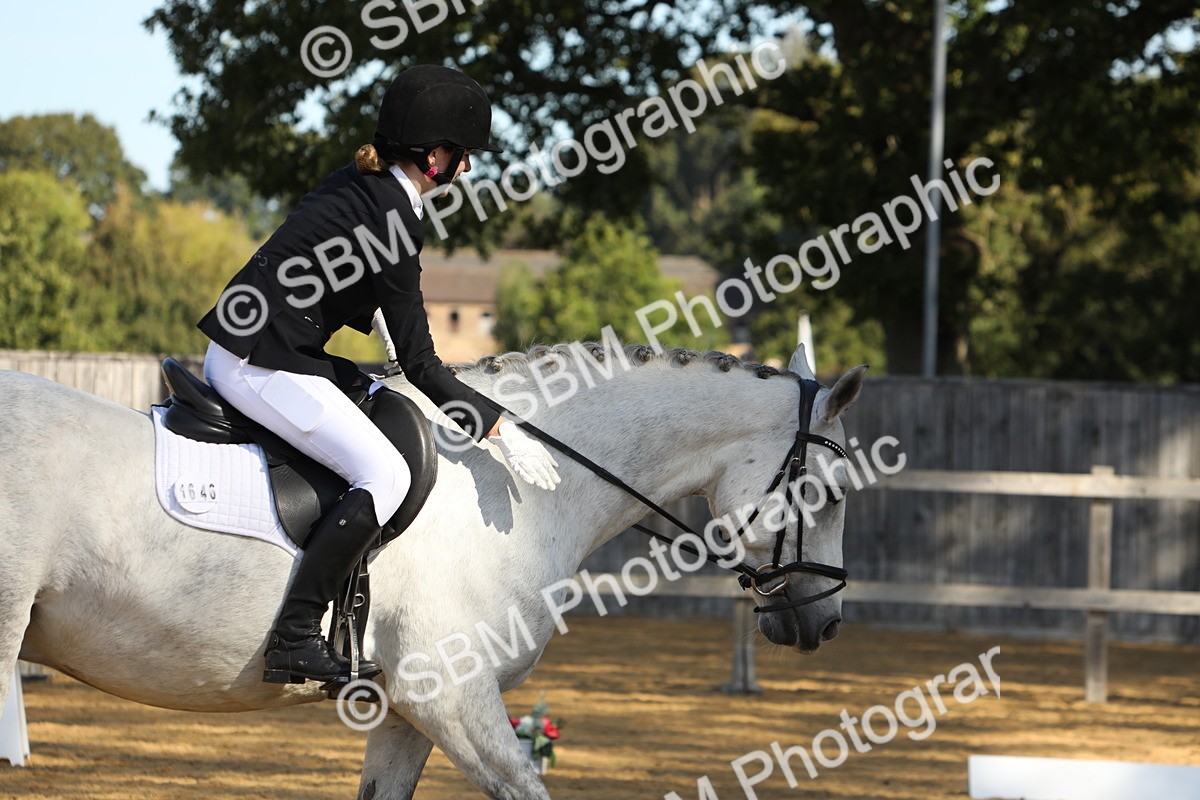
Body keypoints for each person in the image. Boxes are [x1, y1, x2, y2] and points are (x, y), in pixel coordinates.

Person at [196, 64, 561, 686]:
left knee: (373, 404)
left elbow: (358, 290)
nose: (467, 171)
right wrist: (498, 428)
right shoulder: (396, 217)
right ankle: (294, 635)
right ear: (434, 155)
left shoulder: (363, 185)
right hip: (258, 360)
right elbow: (421, 365)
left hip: (268, 343)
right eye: (463, 156)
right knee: (386, 473)